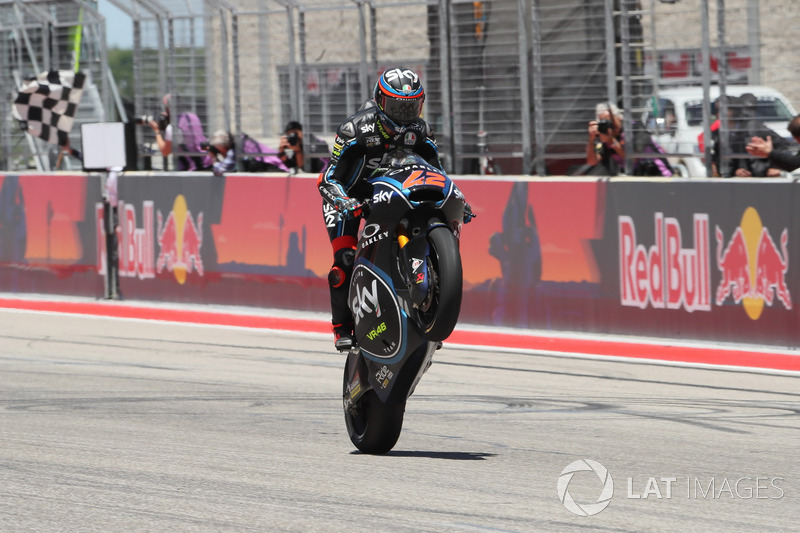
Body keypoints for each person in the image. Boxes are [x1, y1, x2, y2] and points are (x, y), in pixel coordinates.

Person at [318, 66, 472, 351]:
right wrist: (343, 201)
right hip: (350, 197)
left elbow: (437, 171)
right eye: (397, 108)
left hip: (394, 192)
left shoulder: (421, 129)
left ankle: (429, 306)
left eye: (411, 107)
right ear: (380, 100)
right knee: (345, 259)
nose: (404, 116)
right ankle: (342, 326)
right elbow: (328, 178)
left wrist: (459, 200)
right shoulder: (356, 129)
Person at [586, 102, 625, 175]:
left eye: (610, 121)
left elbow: (632, 160)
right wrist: (591, 139)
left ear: (619, 118)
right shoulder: (603, 133)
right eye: (604, 123)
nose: (609, 125)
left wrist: (612, 141)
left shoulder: (631, 129)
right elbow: (592, 162)